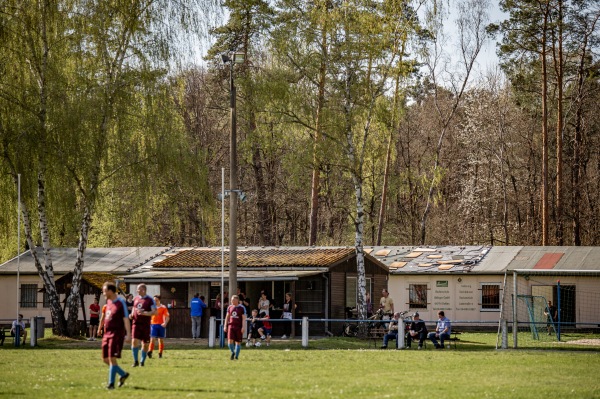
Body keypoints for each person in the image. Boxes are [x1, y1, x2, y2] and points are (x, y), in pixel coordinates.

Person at [101, 281, 131, 390]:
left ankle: (111, 384)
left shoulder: (120, 302)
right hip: (107, 334)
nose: (103, 293)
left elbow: (126, 318)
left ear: (110, 291)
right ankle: (122, 374)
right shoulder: (108, 302)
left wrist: (128, 334)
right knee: (105, 359)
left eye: (104, 291)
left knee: (112, 358)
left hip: (116, 334)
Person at [130, 283, 157, 367]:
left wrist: (144, 313)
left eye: (138, 289)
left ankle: (142, 361)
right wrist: (131, 315)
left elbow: (155, 312)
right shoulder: (136, 298)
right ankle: (135, 361)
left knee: (145, 344)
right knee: (134, 341)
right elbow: (134, 309)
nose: (137, 291)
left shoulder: (150, 300)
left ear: (143, 290)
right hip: (136, 324)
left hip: (145, 325)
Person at [224, 295, 247, 360]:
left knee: (238, 342)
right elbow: (227, 317)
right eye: (231, 300)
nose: (231, 301)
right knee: (229, 341)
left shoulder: (242, 308)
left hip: (238, 326)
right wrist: (225, 325)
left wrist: (243, 327)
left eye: (233, 300)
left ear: (237, 300)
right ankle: (232, 352)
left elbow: (243, 318)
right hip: (231, 326)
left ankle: (236, 356)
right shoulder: (229, 307)